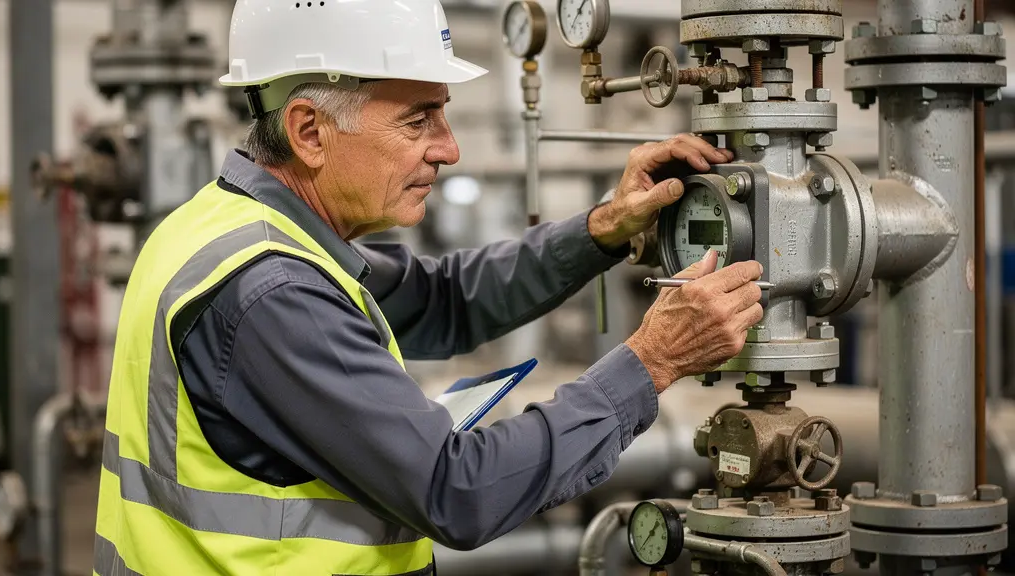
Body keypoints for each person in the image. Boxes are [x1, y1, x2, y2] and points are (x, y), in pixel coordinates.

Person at [91, 0, 765, 574]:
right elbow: (459, 490)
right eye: (418, 121)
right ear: (308, 130)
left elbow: (446, 299)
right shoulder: (270, 293)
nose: (449, 148)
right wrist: (653, 361)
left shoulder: (235, 225)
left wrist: (603, 229)